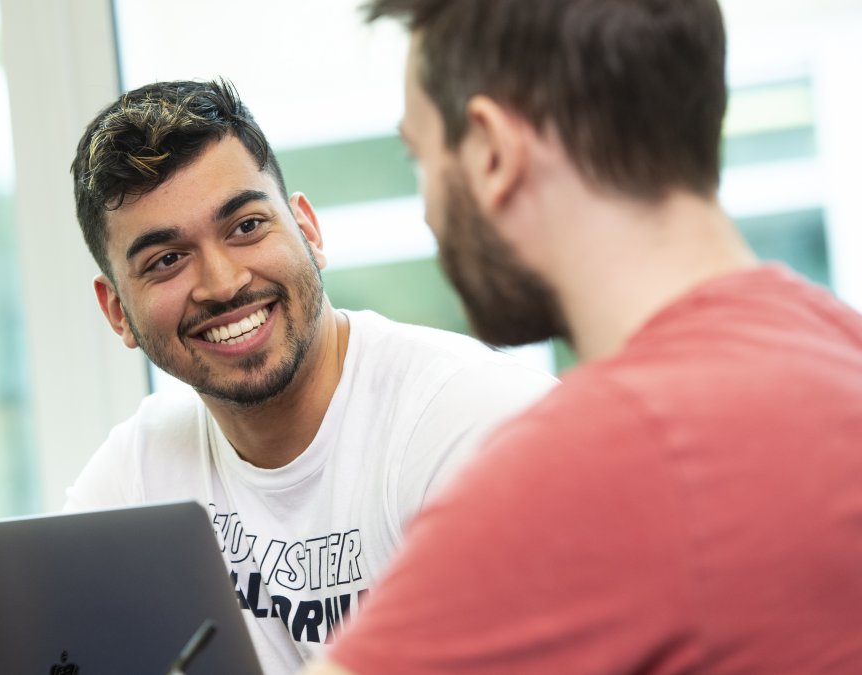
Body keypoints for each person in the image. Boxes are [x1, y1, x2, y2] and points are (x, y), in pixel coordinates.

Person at [305, 1, 862, 674]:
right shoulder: (839, 348)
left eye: (419, 156)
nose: (425, 208)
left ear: (490, 153)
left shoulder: (597, 464)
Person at [65, 79, 557, 673]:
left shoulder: (476, 423)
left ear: (309, 230)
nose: (222, 283)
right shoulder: (137, 477)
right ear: (118, 310)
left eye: (246, 226)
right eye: (167, 260)